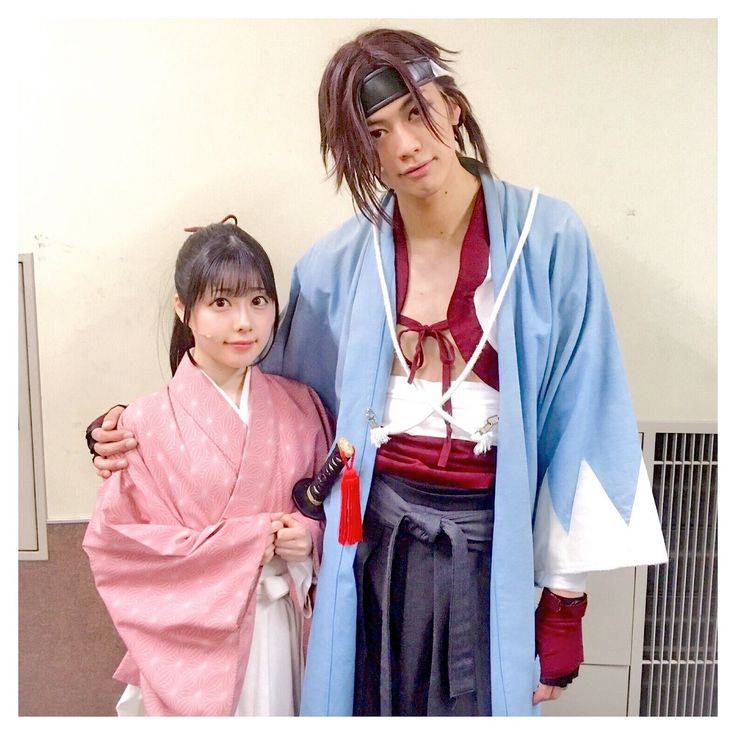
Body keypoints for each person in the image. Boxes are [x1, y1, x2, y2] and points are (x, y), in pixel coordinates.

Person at [87, 29, 668, 716]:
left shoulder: (547, 241)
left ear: (452, 106)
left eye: (417, 113)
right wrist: (134, 430)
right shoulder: (336, 264)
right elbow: (262, 409)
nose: (405, 146)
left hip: (489, 550)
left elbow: (584, 415)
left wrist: (564, 607)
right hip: (367, 553)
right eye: (376, 134)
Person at [82, 218, 332, 716]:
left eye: (258, 301)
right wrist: (244, 545)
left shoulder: (303, 407)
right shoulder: (141, 424)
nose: (244, 322)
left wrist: (309, 540)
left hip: (283, 630)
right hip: (195, 651)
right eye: (221, 303)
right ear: (184, 309)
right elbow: (121, 548)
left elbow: (337, 510)